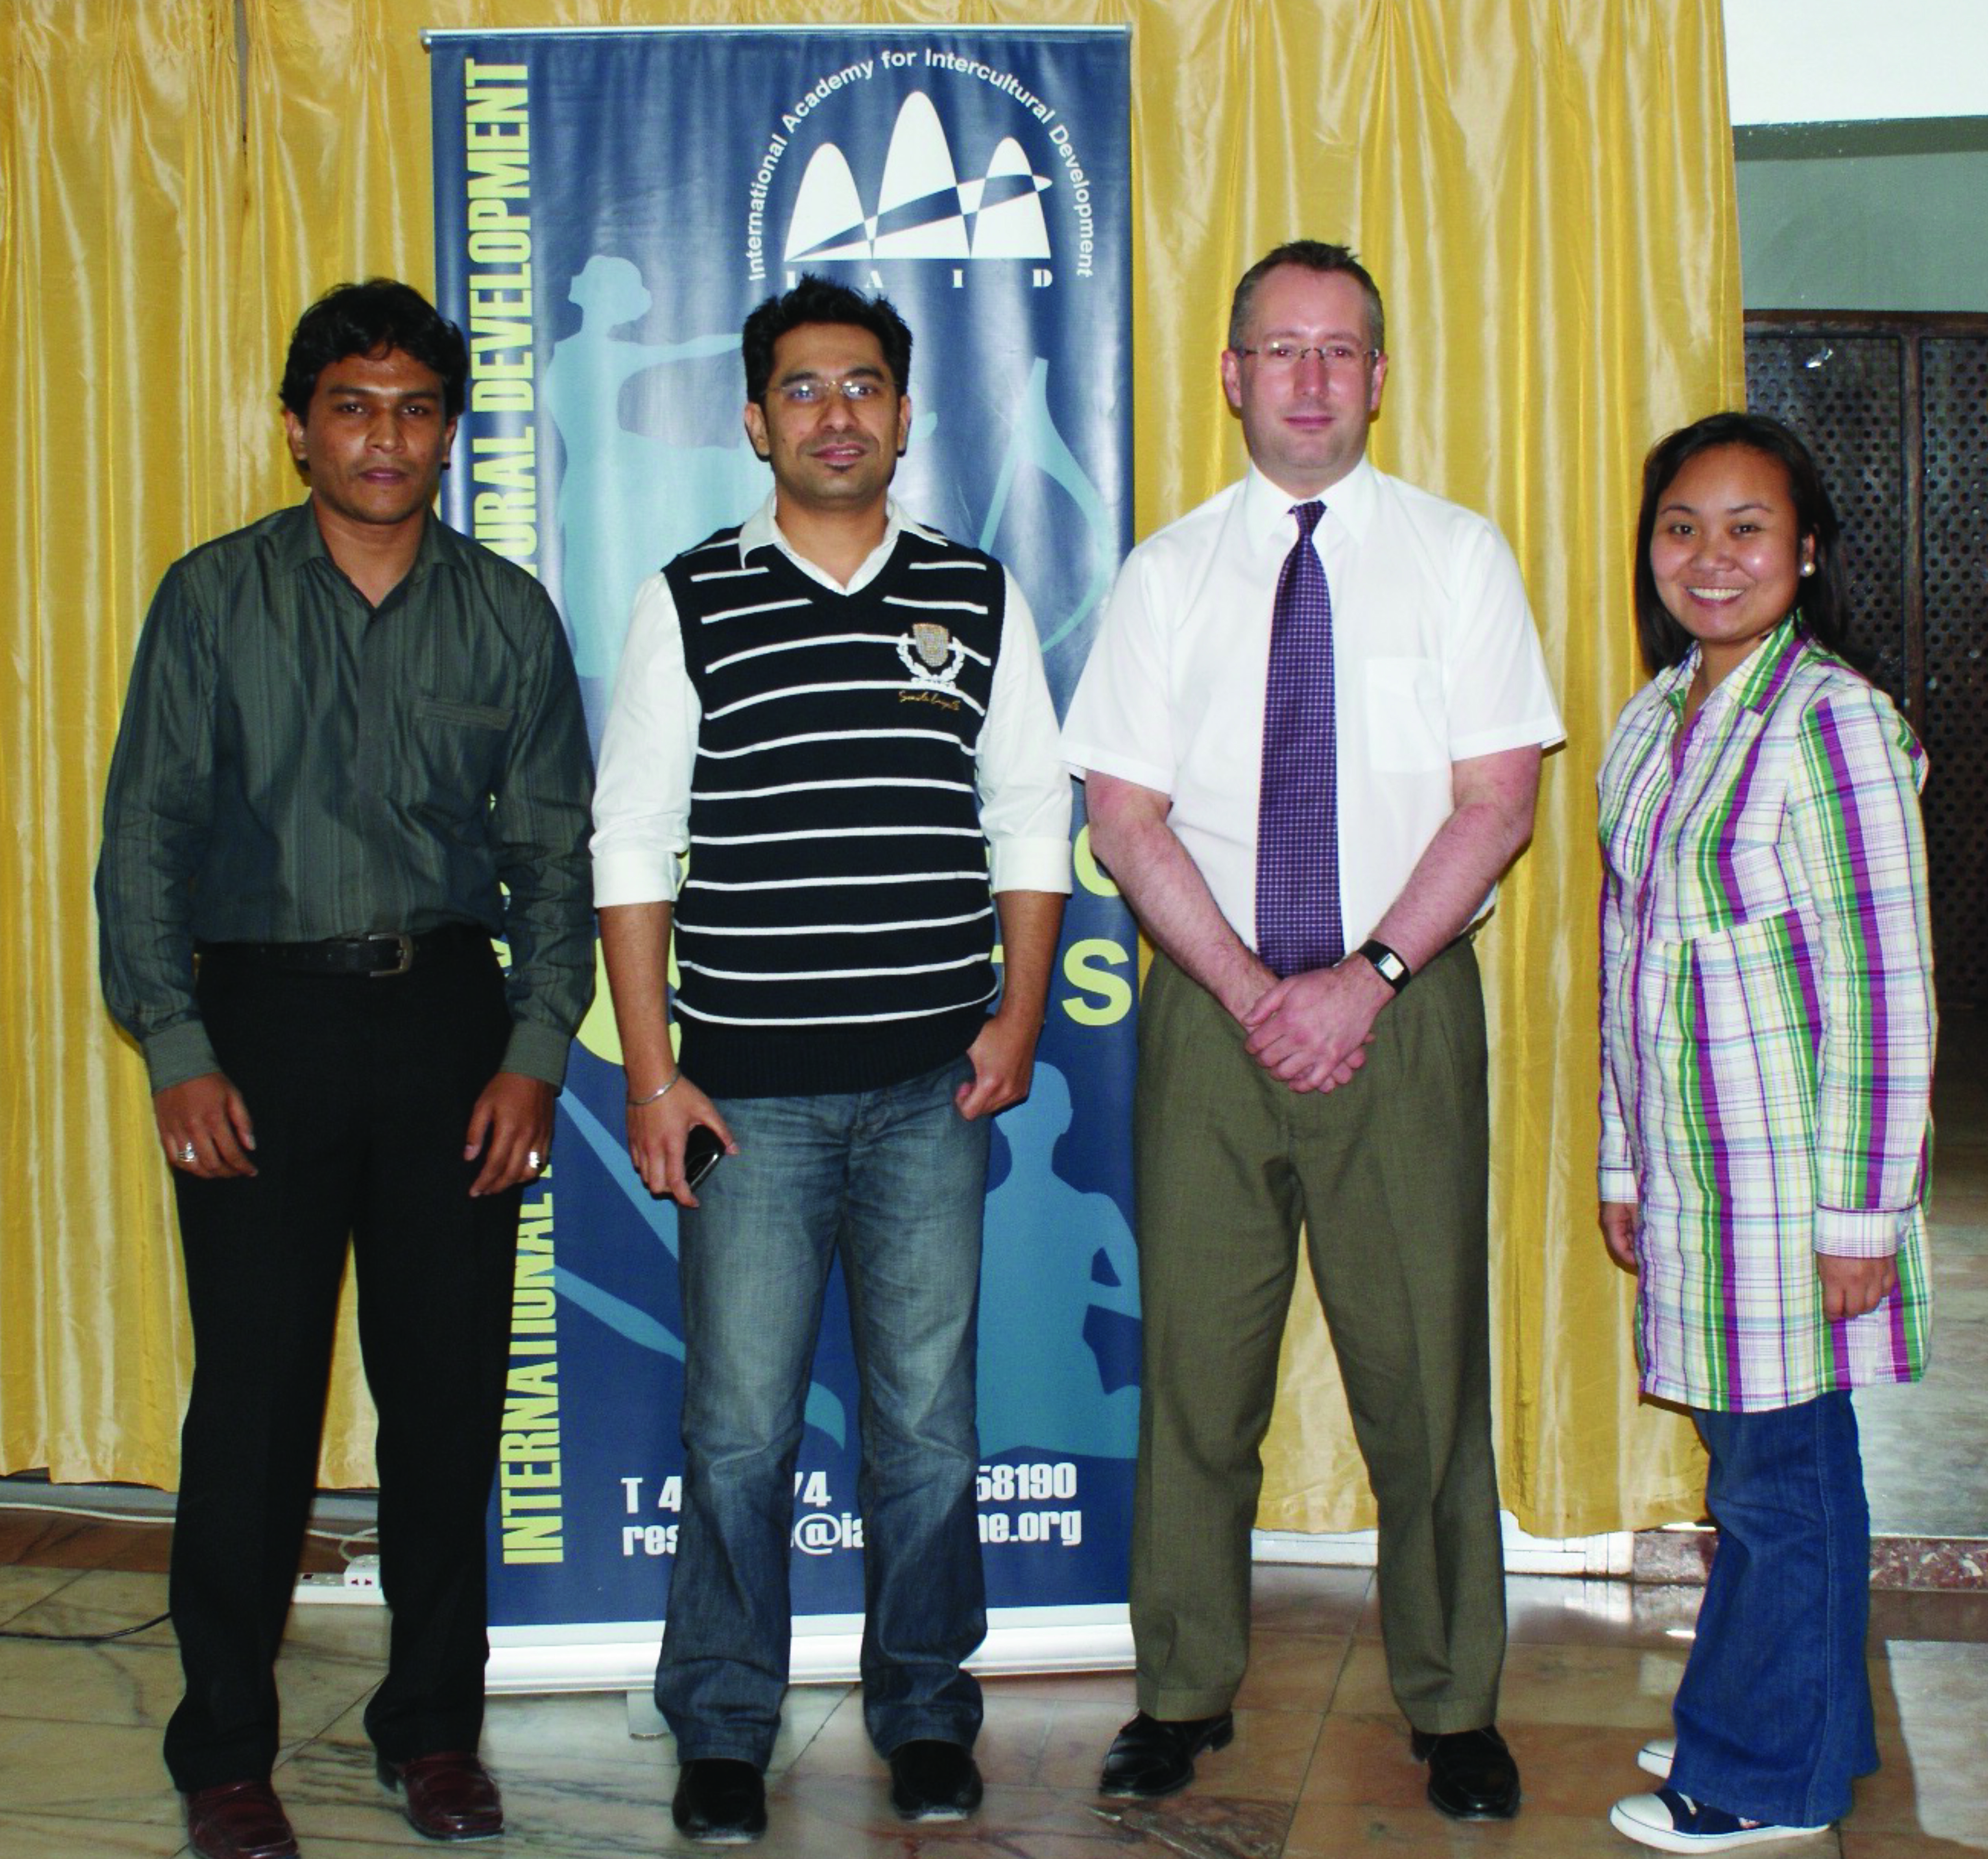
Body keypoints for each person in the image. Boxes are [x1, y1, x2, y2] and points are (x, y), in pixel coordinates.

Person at [1061, 240, 1562, 1820]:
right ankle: (1183, 1687)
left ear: (1380, 377)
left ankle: (1453, 1699)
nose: (1311, 379)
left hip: (1403, 1011)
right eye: (1281, 350)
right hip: (1214, 1018)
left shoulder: (1458, 557)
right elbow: (1126, 817)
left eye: (1342, 351)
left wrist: (1369, 979)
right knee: (1200, 1379)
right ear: (1231, 375)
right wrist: (1249, 986)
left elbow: (1501, 800)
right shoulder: (1166, 573)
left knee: (1425, 1378)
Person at [95, 279, 596, 1859]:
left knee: (448, 1402)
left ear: (452, 430)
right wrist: (176, 1046)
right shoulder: (212, 601)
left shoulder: (506, 613)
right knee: (251, 1407)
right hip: (258, 1035)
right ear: (300, 423)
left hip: (452, 1029)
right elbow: (145, 849)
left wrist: (532, 1051)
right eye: (355, 404)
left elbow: (556, 865)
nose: (386, 436)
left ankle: (433, 1730)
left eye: (417, 406)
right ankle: (225, 1749)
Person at [591, 274, 1071, 1844]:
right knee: (734, 1423)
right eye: (804, 389)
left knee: (926, 1420)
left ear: (906, 411)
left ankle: (927, 1710)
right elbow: (635, 845)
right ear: (754, 419)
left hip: (936, 1088)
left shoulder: (978, 594)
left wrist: (1014, 1017)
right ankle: (723, 1723)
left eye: (864, 385)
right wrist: (655, 1078)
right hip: (747, 1100)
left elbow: (1031, 820)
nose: (838, 412)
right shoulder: (691, 599)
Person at [1597, 413, 1933, 1853]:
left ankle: (1762, 1780)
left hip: (1793, 1182)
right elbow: (1628, 955)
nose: (1712, 556)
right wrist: (1621, 1160)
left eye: (1748, 528)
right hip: (1692, 1173)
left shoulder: (1835, 722)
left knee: (1780, 1481)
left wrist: (1863, 1210)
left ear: (1804, 552)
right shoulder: (1656, 714)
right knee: (1770, 1471)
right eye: (1683, 526)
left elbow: (1884, 983)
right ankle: (1798, 1717)